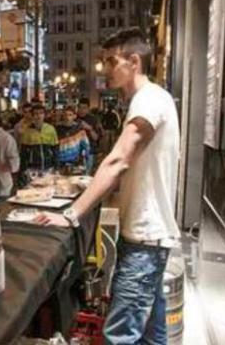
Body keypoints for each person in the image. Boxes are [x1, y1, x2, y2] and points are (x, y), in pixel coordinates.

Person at [37, 28, 180, 345]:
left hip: (145, 237)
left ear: (134, 61)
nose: (104, 68)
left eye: (110, 60)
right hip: (145, 236)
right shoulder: (148, 100)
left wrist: (72, 214)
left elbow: (118, 161)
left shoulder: (149, 99)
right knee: (152, 334)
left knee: (119, 335)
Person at [20, 103, 58, 174]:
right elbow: (23, 153)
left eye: (41, 113)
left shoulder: (51, 129)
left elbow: (55, 149)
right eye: (36, 113)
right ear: (32, 116)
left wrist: (56, 167)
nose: (38, 116)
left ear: (44, 115)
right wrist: (23, 169)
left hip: (48, 167)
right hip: (33, 169)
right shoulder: (27, 131)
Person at [55, 105, 91, 171]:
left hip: (75, 163)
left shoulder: (79, 130)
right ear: (62, 116)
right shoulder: (57, 129)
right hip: (60, 163)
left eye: (70, 115)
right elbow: (54, 146)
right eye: (65, 115)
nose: (67, 117)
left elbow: (86, 147)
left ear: (74, 116)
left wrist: (84, 163)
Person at [77, 98, 102, 172]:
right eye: (80, 107)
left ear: (88, 109)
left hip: (89, 151)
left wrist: (89, 128)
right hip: (75, 152)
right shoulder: (74, 118)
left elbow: (96, 138)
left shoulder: (93, 119)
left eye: (84, 108)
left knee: (86, 175)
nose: (81, 110)